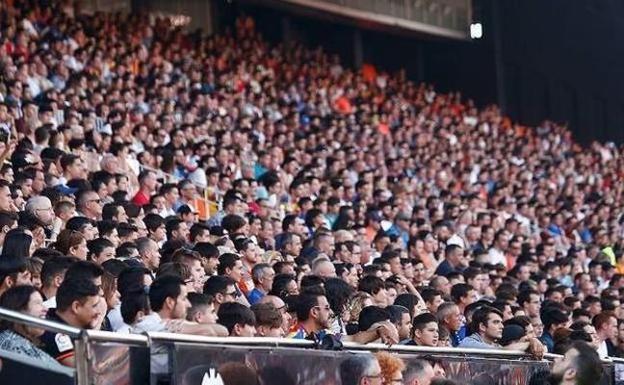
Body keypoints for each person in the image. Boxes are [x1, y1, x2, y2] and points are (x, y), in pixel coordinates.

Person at [41, 278, 102, 367]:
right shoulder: (54, 331)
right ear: (76, 307)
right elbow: (84, 370)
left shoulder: (62, 323)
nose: (98, 312)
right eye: (94, 306)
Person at [0, 285, 61, 367]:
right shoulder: (10, 344)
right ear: (19, 310)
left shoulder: (27, 343)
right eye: (37, 303)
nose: (45, 309)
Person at [459, 306, 545, 358]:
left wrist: (533, 341)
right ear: (482, 326)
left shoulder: (496, 345)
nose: (502, 326)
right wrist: (529, 343)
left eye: (501, 322)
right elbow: (502, 352)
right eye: (496, 322)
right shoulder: (468, 343)